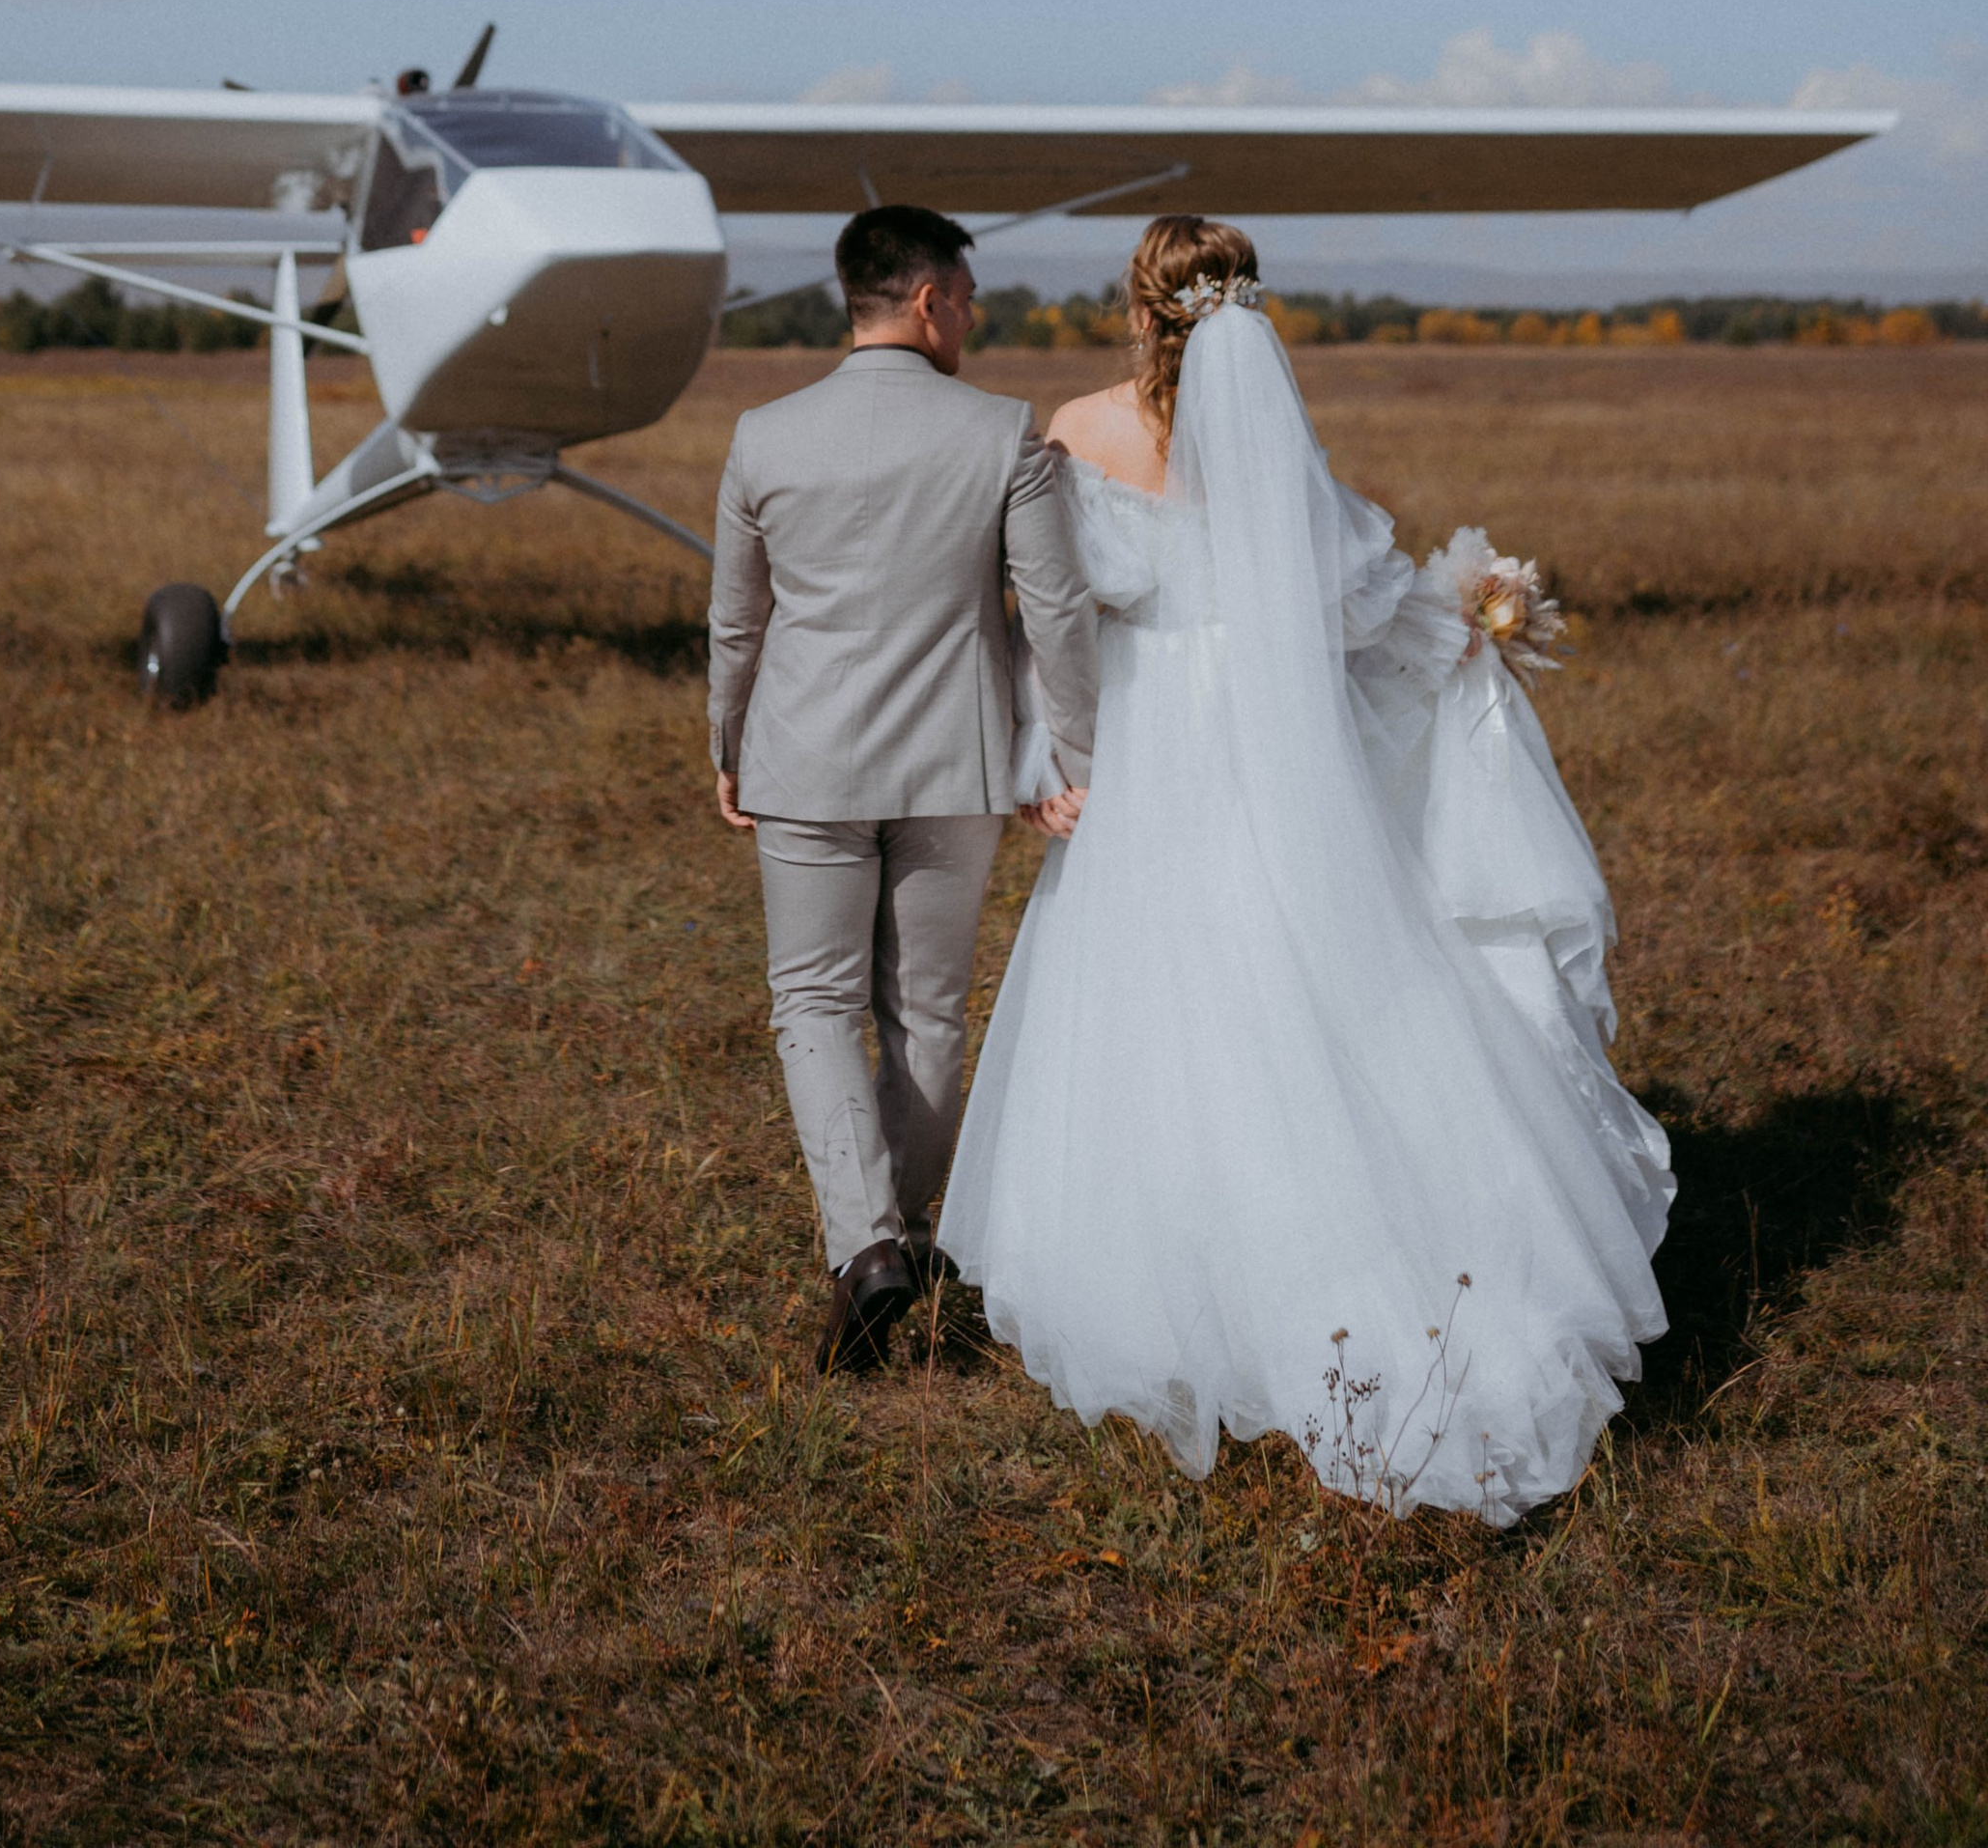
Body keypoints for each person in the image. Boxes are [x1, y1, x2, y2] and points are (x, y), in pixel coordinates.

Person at [940, 214, 1674, 1521]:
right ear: (1244, 306)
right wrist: (1471, 612)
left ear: (1137, 304)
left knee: (1154, 1005)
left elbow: (1040, 608)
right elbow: (1363, 610)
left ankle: (1182, 1283)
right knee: (1310, 984)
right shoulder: (1275, 451)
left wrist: (1047, 756)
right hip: (1270, 758)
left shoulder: (1072, 431)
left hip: (1140, 750)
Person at [708, 203, 1102, 1373]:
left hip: (805, 762)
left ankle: (866, 1247)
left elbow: (738, 619)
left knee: (813, 1004)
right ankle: (907, 1237)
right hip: (958, 764)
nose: (972, 321)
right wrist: (1073, 753)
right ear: (927, 300)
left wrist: (726, 741)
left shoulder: (762, 434)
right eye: (968, 300)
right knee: (924, 1008)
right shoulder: (1003, 435)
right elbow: (1061, 611)